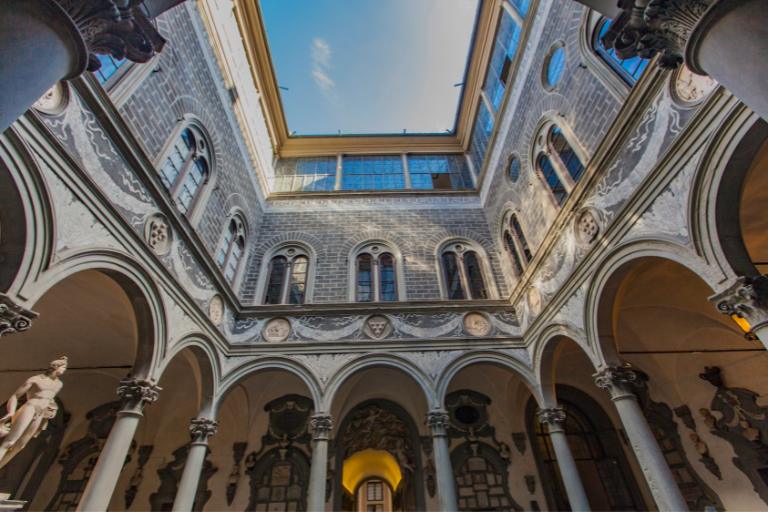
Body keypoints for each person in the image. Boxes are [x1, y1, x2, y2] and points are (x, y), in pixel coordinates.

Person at [0, 356, 67, 469]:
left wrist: (52, 407)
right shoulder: (35, 379)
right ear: (56, 366)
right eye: (63, 367)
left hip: (41, 413)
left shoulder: (59, 384)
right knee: (10, 441)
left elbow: (50, 398)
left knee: (21, 445)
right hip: (30, 408)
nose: (64, 370)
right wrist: (11, 412)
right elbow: (15, 396)